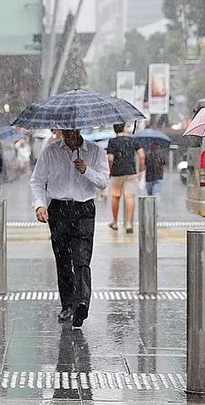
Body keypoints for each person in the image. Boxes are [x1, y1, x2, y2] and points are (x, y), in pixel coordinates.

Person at [30, 129, 109, 329]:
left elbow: (104, 182)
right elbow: (37, 180)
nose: (68, 135)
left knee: (82, 257)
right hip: (58, 208)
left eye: (72, 131)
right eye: (65, 131)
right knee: (63, 259)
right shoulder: (51, 152)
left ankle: (82, 302)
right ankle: (67, 304)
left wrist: (86, 170)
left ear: (79, 129)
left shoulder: (95, 151)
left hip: (84, 208)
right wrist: (40, 205)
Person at [106, 123, 145, 233]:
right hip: (130, 172)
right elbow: (142, 155)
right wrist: (141, 170)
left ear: (114, 129)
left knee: (115, 197)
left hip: (116, 173)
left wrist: (109, 171)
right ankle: (129, 224)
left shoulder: (112, 142)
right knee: (130, 197)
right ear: (124, 127)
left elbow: (110, 159)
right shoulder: (132, 140)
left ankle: (115, 222)